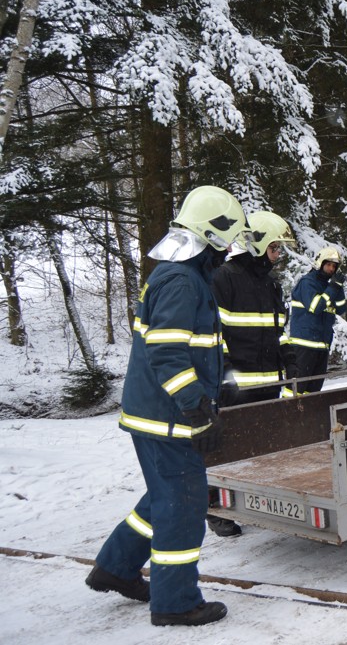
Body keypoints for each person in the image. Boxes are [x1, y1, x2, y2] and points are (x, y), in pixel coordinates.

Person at [86, 185, 248, 627]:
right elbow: (167, 353)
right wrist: (196, 407)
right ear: (212, 233)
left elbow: (189, 344)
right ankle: (176, 602)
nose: (230, 248)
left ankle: (115, 567)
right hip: (169, 418)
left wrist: (218, 383)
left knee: (163, 496)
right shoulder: (180, 280)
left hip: (156, 413)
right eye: (228, 238)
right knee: (184, 505)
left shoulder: (182, 274)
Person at [205, 210, 296, 538]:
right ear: (257, 244)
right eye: (274, 247)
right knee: (226, 450)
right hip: (235, 387)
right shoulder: (224, 278)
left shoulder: (271, 284)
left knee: (262, 447)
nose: (278, 254)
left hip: (268, 384)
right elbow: (213, 333)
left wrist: (290, 361)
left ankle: (255, 501)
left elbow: (278, 332)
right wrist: (225, 373)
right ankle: (215, 508)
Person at [286, 246, 347, 394]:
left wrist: (338, 287)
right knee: (296, 390)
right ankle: (288, 408)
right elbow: (316, 307)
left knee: (313, 392)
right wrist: (333, 288)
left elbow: (341, 308)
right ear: (320, 263)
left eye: (334, 266)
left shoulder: (330, 285)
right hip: (304, 345)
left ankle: (308, 410)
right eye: (328, 264)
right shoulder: (307, 282)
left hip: (322, 346)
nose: (331, 269)